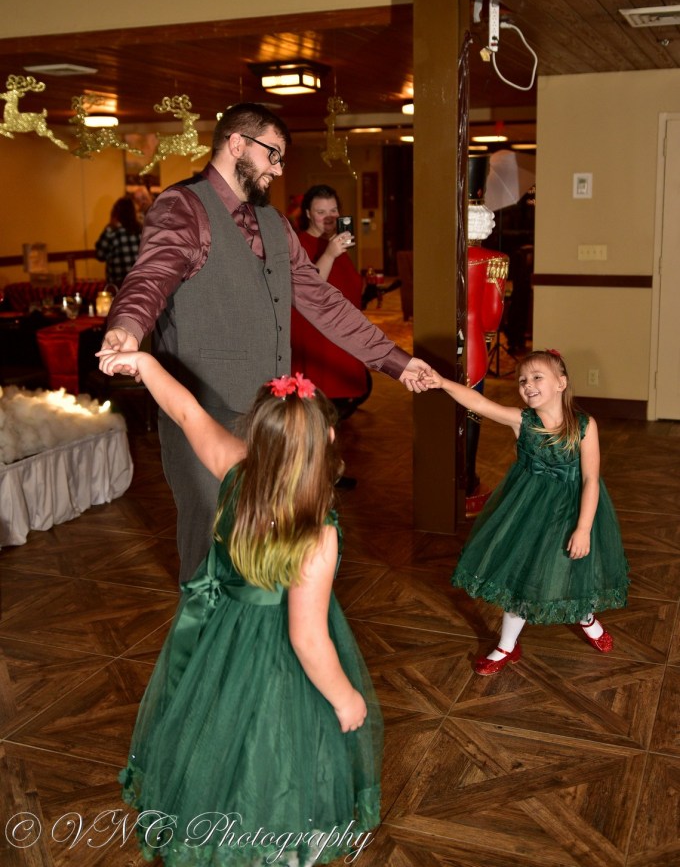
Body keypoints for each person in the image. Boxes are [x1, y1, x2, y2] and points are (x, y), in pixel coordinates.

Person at [99, 103, 429, 581]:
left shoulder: (274, 222)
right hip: (205, 411)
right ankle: (205, 631)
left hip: (271, 418)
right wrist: (127, 327)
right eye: (273, 154)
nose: (277, 168)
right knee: (209, 548)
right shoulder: (183, 207)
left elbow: (324, 302)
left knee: (265, 547)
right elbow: (150, 276)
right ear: (237, 144)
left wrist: (396, 361)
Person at [97, 348, 382, 867]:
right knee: (276, 748)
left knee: (218, 732)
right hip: (279, 658)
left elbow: (186, 412)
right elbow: (307, 639)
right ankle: (273, 845)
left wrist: (143, 363)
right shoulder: (316, 536)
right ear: (328, 440)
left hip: (221, 633)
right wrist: (344, 698)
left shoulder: (235, 470)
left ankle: (215, 829)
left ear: (258, 437)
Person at [423, 349, 629, 675]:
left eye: (536, 377)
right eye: (522, 380)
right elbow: (479, 404)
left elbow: (591, 479)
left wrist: (583, 528)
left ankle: (586, 616)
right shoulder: (523, 421)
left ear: (561, 383)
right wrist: (442, 382)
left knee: (573, 569)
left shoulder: (585, 426)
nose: (527, 384)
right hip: (529, 509)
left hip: (573, 510)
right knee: (523, 575)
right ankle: (507, 645)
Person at [291, 185, 371, 422]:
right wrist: (329, 254)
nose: (329, 217)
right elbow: (310, 290)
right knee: (319, 413)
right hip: (319, 344)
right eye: (321, 212)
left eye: (333, 210)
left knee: (335, 413)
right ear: (308, 214)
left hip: (342, 338)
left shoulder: (335, 244)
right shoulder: (300, 244)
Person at [94, 196, 141, 287]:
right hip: (139, 285)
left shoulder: (112, 232)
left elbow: (99, 255)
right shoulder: (141, 232)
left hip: (118, 287)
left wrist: (109, 227)